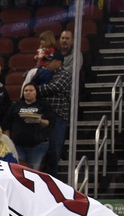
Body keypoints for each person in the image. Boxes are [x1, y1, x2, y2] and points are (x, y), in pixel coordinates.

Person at [2, 84, 53, 170]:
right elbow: (6, 123)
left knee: (33, 171)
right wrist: (8, 139)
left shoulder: (44, 105)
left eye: (31, 90)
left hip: (37, 145)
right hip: (17, 145)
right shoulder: (16, 105)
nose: (28, 92)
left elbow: (50, 123)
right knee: (18, 170)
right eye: (26, 91)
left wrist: (39, 120)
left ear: (36, 92)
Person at [37, 50, 71, 179]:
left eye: (50, 61)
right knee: (42, 151)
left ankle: (53, 181)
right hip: (43, 117)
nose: (47, 64)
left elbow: (55, 87)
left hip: (57, 117)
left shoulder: (65, 74)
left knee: (54, 152)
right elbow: (28, 77)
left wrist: (35, 89)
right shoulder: (45, 73)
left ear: (58, 62)